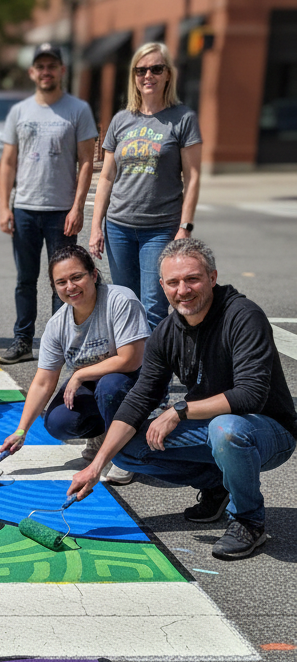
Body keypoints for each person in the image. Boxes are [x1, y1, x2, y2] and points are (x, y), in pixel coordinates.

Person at [69, 239, 297, 560]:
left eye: (192, 279)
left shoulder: (243, 316)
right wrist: (96, 465)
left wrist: (179, 410)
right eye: (173, 282)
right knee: (126, 449)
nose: (183, 290)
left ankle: (248, 520)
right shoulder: (167, 331)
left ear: (212, 277)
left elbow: (251, 394)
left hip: (268, 430)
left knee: (225, 430)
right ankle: (219, 483)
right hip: (212, 425)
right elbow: (140, 398)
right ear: (162, 286)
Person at [0, 245, 148, 485]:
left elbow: (131, 359)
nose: (70, 287)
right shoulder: (58, 325)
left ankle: (126, 454)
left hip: (135, 380)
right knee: (58, 421)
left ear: (94, 275)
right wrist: (21, 431)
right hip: (96, 383)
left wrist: (80, 375)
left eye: (77, 277)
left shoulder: (120, 300)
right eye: (61, 282)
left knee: (110, 387)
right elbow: (43, 381)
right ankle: (104, 434)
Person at [89, 42, 202, 332]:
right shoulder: (121, 120)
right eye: (141, 70)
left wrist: (185, 226)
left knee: (154, 304)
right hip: (118, 227)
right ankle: (131, 369)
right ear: (133, 76)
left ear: (168, 74)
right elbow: (107, 177)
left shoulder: (183, 118)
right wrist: (96, 226)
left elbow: (193, 176)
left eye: (155, 68)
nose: (147, 75)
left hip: (161, 227)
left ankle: (152, 375)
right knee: (126, 302)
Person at [0, 43, 98, 365]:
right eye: (40, 66)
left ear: (62, 70)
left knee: (63, 283)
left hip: (60, 211)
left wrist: (78, 206)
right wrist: (3, 206)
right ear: (32, 72)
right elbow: (8, 162)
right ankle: (23, 340)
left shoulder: (78, 110)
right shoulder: (20, 111)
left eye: (51, 65)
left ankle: (60, 343)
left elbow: (86, 161)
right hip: (25, 208)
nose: (45, 71)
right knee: (25, 280)